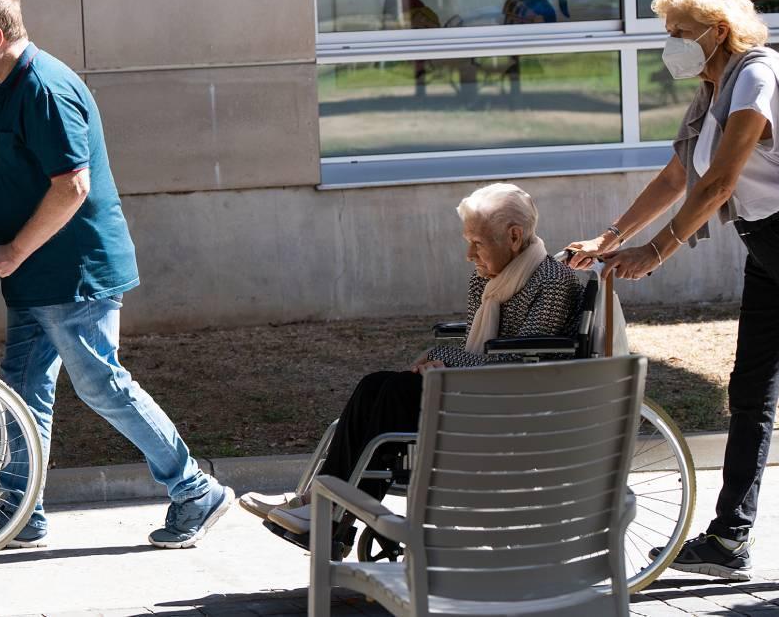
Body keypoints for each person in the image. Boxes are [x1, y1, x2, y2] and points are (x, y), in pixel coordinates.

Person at [0, 0, 232, 549]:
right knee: (24, 393)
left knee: (103, 386)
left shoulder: (43, 88)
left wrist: (15, 249)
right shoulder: (13, 84)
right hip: (35, 275)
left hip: (71, 274)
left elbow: (73, 186)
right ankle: (21, 510)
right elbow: (36, 179)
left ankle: (195, 489)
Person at [567, 0, 779, 581]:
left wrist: (658, 250)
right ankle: (730, 540)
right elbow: (678, 176)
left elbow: (720, 183)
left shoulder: (754, 76)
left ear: (718, 32)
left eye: (679, 32)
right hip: (770, 242)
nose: (669, 42)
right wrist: (613, 237)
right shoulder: (712, 89)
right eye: (666, 31)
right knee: (750, 388)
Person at [242, 183, 582, 539]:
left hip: (511, 403)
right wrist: (446, 363)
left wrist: (442, 359)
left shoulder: (551, 280)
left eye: (477, 243)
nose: (469, 253)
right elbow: (476, 349)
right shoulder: (488, 278)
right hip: (479, 388)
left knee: (394, 394)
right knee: (375, 385)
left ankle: (328, 515)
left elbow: (519, 366)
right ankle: (317, 503)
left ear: (514, 237)